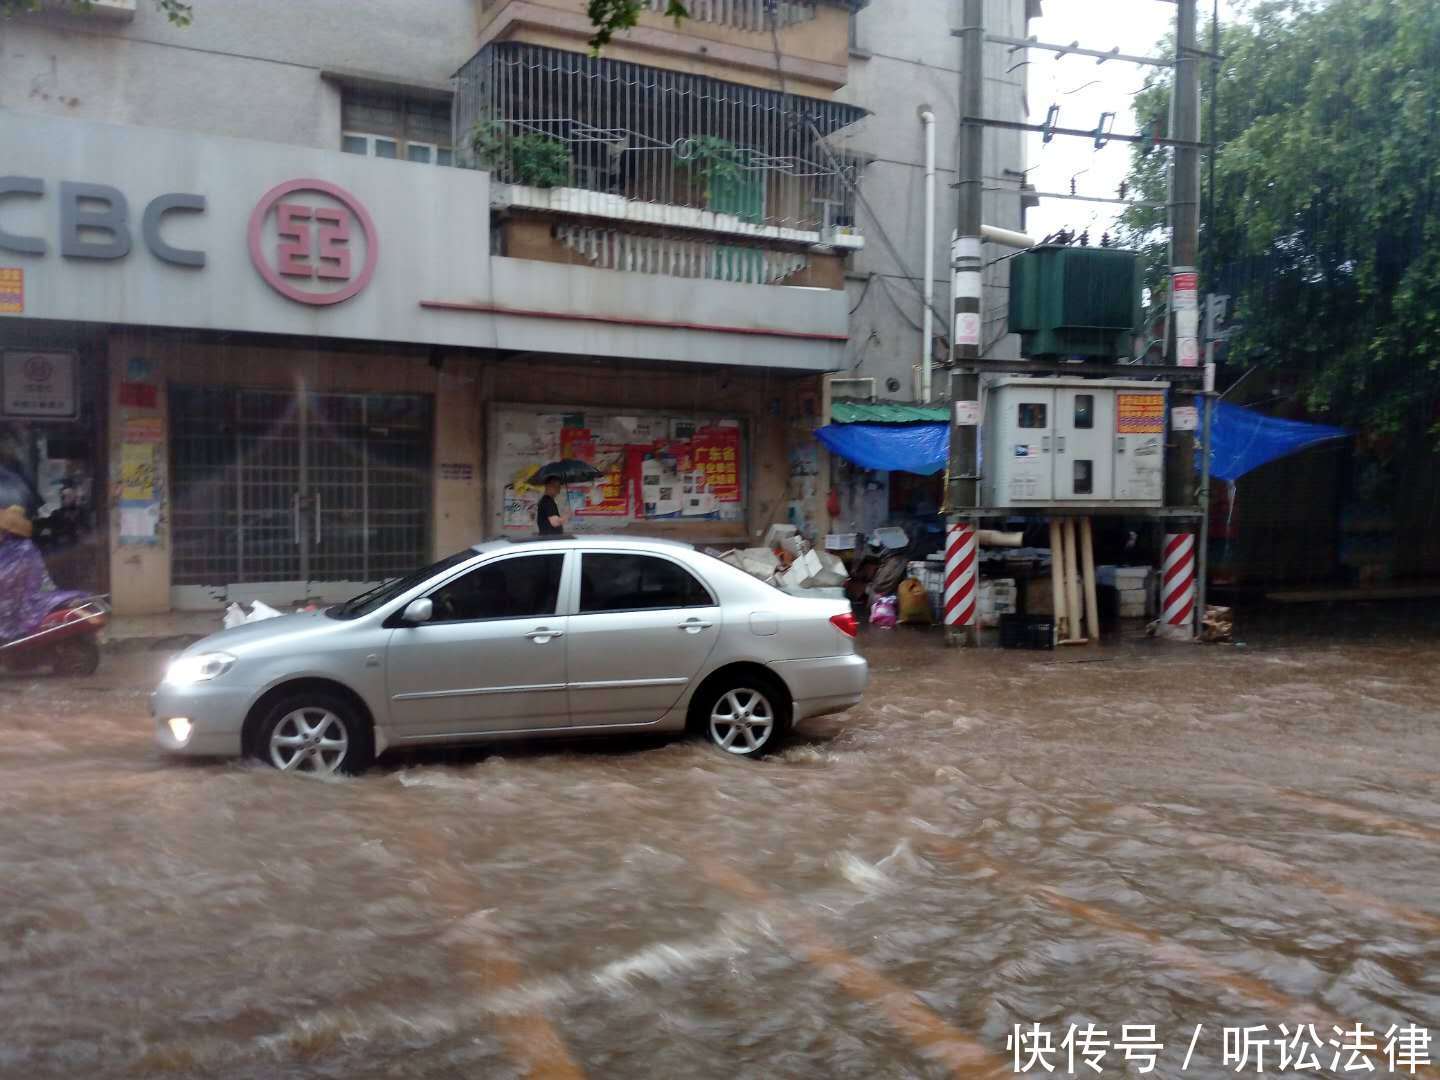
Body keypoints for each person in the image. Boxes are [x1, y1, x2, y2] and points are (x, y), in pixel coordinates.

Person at [0, 504, 85, 644]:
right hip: (27, 593)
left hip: (19, 600)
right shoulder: (25, 547)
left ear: (8, 531)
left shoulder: (16, 550)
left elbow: (7, 576)